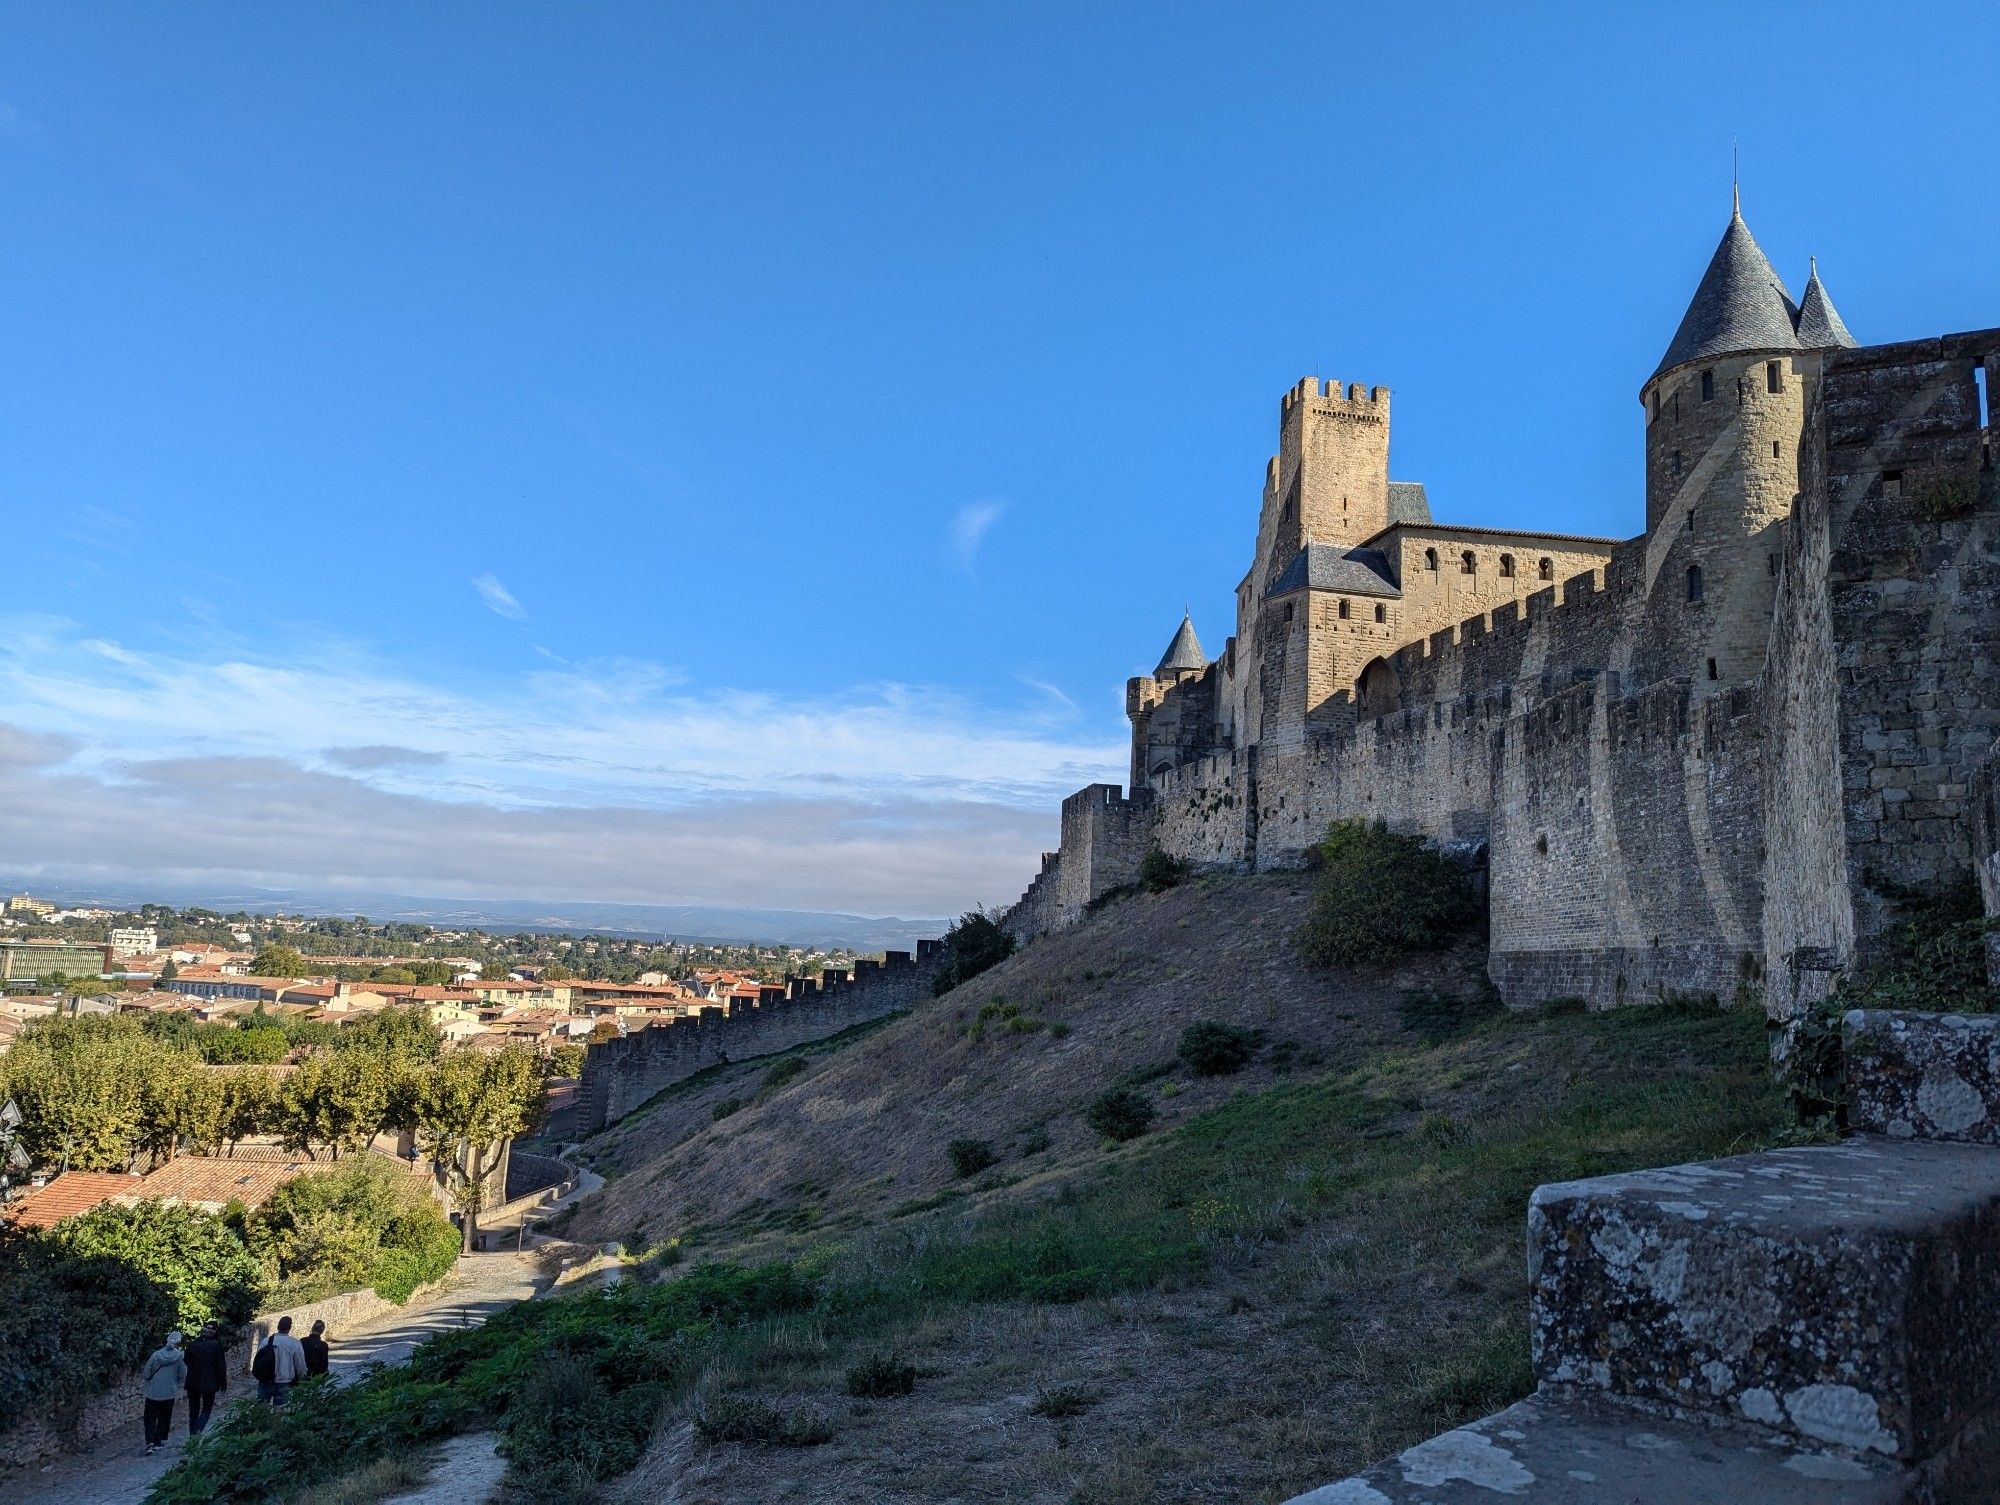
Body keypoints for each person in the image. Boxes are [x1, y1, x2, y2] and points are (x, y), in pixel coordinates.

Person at [139, 1331, 186, 1455]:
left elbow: (146, 1373)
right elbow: (183, 1374)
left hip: (153, 1392)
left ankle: (150, 1443)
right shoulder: (179, 1357)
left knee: (150, 1418)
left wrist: (151, 1380)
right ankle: (160, 1441)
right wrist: (174, 1381)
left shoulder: (156, 1355)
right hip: (169, 1392)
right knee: (165, 1417)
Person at [183, 1321, 228, 1436]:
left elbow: (186, 1361)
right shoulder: (216, 1345)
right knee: (206, 1409)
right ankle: (197, 1432)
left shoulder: (192, 1344)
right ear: (215, 1332)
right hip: (209, 1383)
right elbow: (221, 1366)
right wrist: (223, 1385)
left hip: (193, 1382)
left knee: (193, 1410)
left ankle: (192, 1434)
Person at [254, 1315, 308, 1405]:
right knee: (280, 1412)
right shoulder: (295, 1343)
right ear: (290, 1328)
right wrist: (301, 1380)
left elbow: (258, 1360)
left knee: (260, 1409)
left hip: (266, 1380)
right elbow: (300, 1365)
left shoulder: (266, 1341)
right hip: (284, 1382)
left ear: (277, 1326)